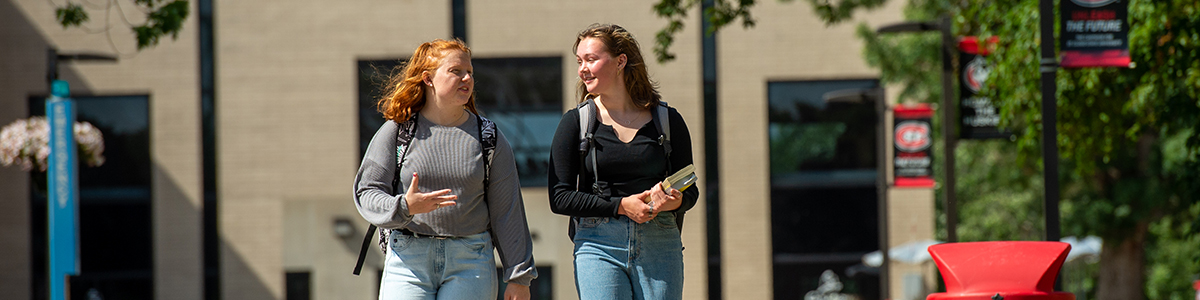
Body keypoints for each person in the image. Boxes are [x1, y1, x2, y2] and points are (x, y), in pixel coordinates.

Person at [354, 39, 536, 300]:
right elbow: (367, 192)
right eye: (456, 71)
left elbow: (508, 212)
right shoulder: (398, 131)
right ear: (428, 79)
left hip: (471, 261)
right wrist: (405, 206)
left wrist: (519, 277)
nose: (467, 78)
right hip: (408, 259)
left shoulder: (489, 137)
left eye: (470, 72)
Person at [548, 23, 699, 300]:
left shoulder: (667, 120)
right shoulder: (576, 123)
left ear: (621, 61)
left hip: (660, 241)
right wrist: (620, 206)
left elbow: (690, 189)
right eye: (579, 61)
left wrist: (672, 200)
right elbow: (560, 197)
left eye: (591, 59)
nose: (582, 69)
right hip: (597, 244)